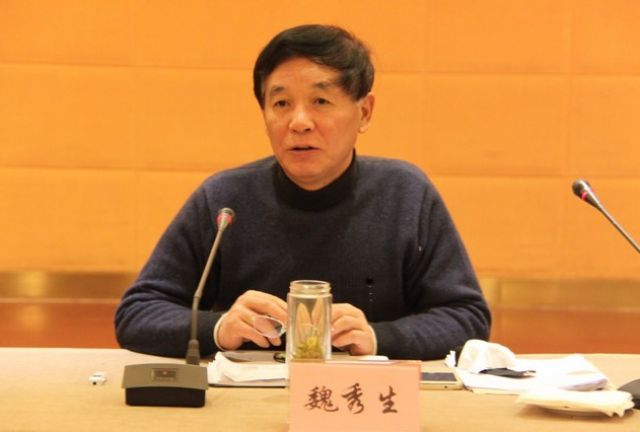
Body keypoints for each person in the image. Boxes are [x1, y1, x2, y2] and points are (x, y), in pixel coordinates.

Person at [115, 24, 491, 360]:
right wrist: (218, 328)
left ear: (365, 112)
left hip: (366, 400)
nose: (298, 122)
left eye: (320, 102)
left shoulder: (405, 194)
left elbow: (466, 317)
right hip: (246, 401)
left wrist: (380, 337)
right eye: (281, 103)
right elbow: (138, 312)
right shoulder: (225, 199)